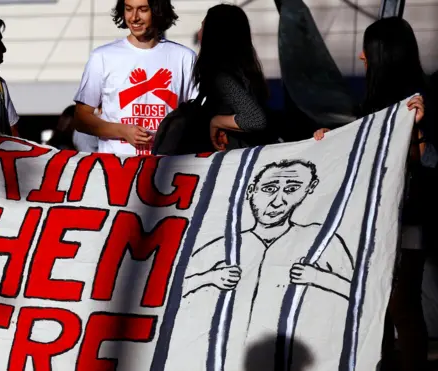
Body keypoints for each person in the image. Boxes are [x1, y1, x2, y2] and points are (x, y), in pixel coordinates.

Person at [312, 17, 432, 371]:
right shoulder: (375, 105)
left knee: (400, 303)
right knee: (376, 303)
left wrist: (420, 132)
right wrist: (329, 139)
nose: (362, 57)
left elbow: (429, 162)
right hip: (379, 220)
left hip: (409, 218)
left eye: (369, 49)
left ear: (382, 55)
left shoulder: (423, 103)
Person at [184, 160, 354, 370]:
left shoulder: (320, 240)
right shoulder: (226, 244)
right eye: (269, 189)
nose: (277, 201)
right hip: (230, 358)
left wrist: (318, 278)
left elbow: (363, 294)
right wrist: (210, 277)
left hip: (297, 358)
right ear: (251, 190)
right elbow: (172, 291)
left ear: (308, 191)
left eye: (292, 189)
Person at [73, 0, 197, 155]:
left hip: (167, 168)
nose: (134, 17)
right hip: (117, 168)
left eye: (143, 9)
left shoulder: (184, 57)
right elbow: (81, 118)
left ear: (158, 11)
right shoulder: (102, 56)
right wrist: (122, 130)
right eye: (128, 9)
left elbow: (196, 117)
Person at [194, 4, 270, 151]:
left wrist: (216, 122)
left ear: (214, 35)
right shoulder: (245, 72)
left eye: (203, 27)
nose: (198, 34)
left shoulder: (223, 78)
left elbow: (255, 119)